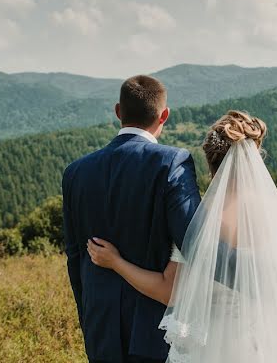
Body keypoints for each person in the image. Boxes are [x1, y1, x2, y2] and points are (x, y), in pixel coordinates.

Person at [87, 110, 277, 363]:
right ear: (255, 156)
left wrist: (116, 263)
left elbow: (169, 292)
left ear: (210, 161)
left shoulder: (201, 221)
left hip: (220, 347)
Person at [62, 75, 201, 363]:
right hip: (151, 331)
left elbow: (75, 258)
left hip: (99, 327)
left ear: (118, 112)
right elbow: (195, 242)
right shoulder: (172, 163)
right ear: (164, 115)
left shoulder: (76, 172)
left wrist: (89, 318)